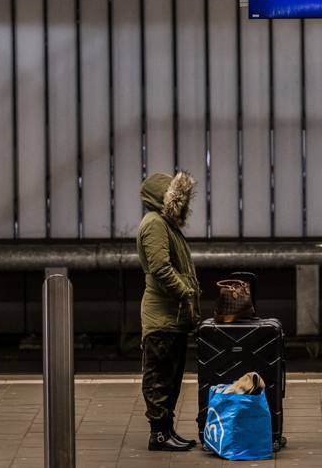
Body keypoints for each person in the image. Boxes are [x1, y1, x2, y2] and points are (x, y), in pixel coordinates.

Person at [136, 171, 201, 452]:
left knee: (171, 377)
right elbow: (161, 268)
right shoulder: (154, 224)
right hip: (162, 316)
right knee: (160, 377)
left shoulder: (165, 223)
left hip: (171, 317)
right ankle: (159, 434)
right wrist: (185, 292)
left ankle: (166, 430)